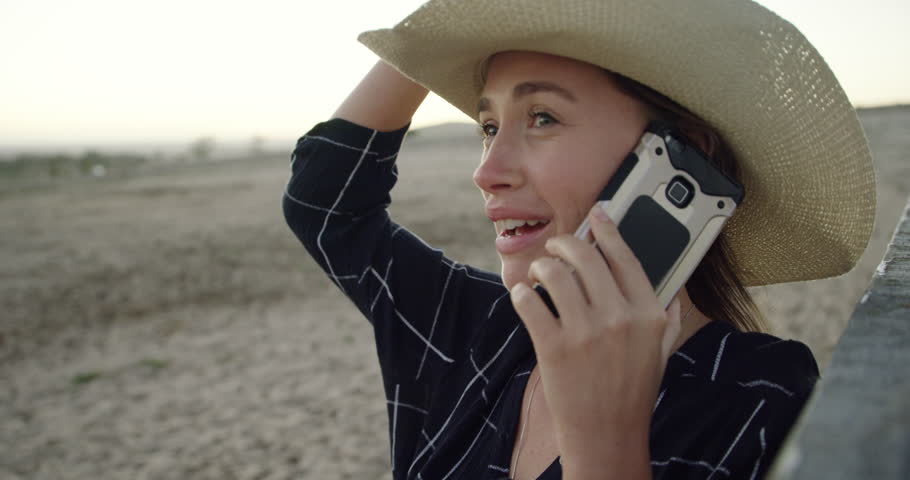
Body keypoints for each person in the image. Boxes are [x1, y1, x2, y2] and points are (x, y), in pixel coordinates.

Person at [282, 0, 876, 478]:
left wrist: (605, 443)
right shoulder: (471, 329)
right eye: (489, 127)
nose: (487, 171)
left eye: (542, 117)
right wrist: (450, 16)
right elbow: (327, 204)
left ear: (684, 160)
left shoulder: (757, 401)